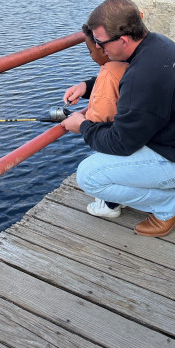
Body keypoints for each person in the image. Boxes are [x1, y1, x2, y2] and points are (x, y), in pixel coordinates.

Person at [62, 0, 175, 237]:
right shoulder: (157, 45)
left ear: (123, 40)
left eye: (100, 42)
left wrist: (82, 126)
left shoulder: (144, 76)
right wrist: (88, 86)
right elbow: (137, 84)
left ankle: (172, 204)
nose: (99, 48)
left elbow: (120, 143)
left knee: (89, 176)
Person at [69, 23, 128, 219]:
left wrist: (79, 122)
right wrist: (86, 87)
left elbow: (100, 118)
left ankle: (110, 203)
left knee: (97, 169)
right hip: (137, 137)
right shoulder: (130, 63)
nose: (91, 56)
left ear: (103, 48)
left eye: (90, 51)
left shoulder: (107, 73)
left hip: (118, 141)